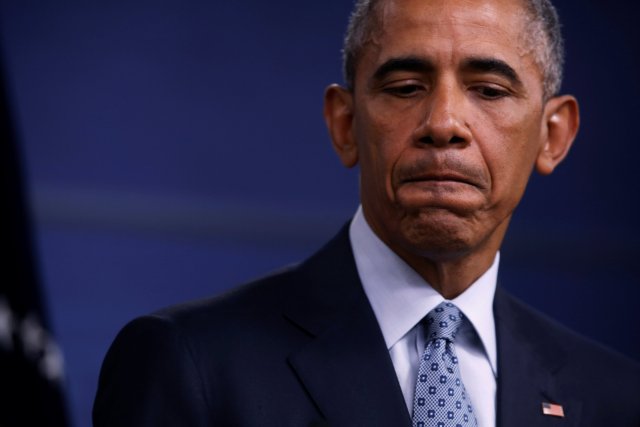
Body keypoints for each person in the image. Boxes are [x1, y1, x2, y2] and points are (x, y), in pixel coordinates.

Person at [93, 0, 640, 425]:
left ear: (553, 136)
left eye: (489, 90)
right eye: (405, 87)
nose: (444, 122)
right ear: (345, 124)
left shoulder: (615, 398)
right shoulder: (188, 365)